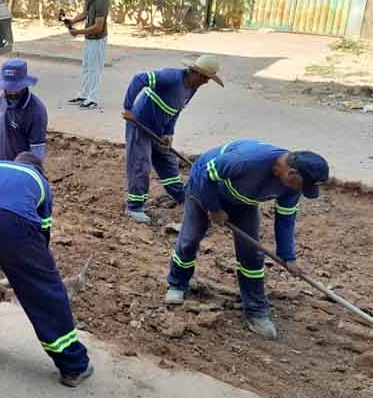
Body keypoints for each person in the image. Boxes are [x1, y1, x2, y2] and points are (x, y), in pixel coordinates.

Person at [165, 140, 329, 339]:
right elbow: (204, 174)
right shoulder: (246, 161)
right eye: (303, 185)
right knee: (190, 239)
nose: (301, 191)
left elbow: (285, 219)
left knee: (251, 255)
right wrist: (214, 208)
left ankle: (256, 310)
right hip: (205, 188)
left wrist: (288, 256)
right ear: (291, 173)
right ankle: (177, 283)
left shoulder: (292, 187)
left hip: (244, 201)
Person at [0, 152, 93, 387]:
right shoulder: (41, 183)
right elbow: (42, 237)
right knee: (45, 291)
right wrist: (30, 274)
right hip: (15, 224)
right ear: (39, 170)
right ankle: (73, 365)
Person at [122, 55, 224, 223]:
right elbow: (139, 78)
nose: (206, 82)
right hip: (140, 125)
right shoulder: (171, 77)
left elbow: (176, 111)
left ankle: (180, 195)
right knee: (141, 165)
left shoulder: (192, 88)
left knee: (167, 160)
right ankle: (134, 206)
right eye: (205, 78)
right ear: (195, 73)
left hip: (159, 130)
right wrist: (128, 107)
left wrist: (169, 133)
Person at [0, 59, 48, 161]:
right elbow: (5, 125)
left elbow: (37, 152)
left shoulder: (36, 111)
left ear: (24, 84)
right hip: (3, 164)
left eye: (16, 88)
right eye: (9, 88)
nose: (12, 92)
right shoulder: (4, 98)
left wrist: (29, 174)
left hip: (20, 170)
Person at [64, 0, 109, 109]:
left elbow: (98, 27)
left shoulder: (102, 0)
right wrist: (72, 21)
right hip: (89, 39)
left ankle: (92, 98)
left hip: (98, 39)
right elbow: (85, 13)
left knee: (95, 69)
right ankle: (83, 95)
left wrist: (77, 32)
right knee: (86, 67)